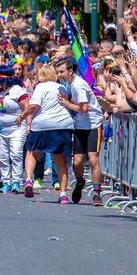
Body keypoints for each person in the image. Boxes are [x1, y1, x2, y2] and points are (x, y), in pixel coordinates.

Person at [16, 64, 73, 204]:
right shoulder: (62, 87)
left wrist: (22, 117)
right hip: (62, 124)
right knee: (60, 160)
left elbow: (34, 105)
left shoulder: (41, 87)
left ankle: (29, 179)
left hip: (42, 125)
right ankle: (63, 194)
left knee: (32, 152)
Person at [56, 57, 105, 205]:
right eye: (57, 72)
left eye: (62, 71)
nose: (59, 75)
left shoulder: (78, 86)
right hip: (79, 126)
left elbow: (83, 109)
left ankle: (97, 193)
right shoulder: (68, 84)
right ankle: (79, 181)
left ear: (71, 71)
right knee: (76, 162)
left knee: (92, 159)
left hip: (92, 125)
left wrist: (67, 103)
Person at [0, 65, 29, 194]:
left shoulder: (18, 90)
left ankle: (16, 181)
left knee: (16, 154)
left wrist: (26, 121)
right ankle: (5, 181)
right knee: (2, 156)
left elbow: (27, 108)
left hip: (17, 128)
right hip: (1, 129)